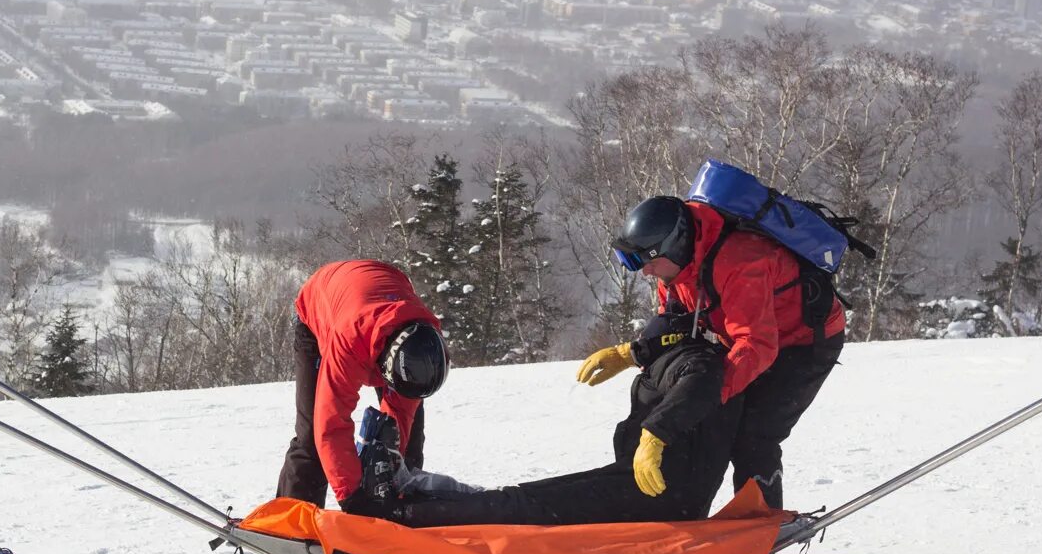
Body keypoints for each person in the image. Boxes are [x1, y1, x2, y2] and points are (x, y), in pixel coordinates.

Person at [346, 306, 743, 527]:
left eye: (645, 347)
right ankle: (416, 491)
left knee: (526, 506)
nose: (637, 353)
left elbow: (698, 387)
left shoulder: (695, 363)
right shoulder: (677, 361)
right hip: (646, 487)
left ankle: (406, 513)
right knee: (522, 498)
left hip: (659, 497)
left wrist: (656, 435)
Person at [583, 194, 844, 510]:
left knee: (754, 437)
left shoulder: (741, 263)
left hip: (803, 342)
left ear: (674, 246)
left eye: (648, 262)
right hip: (744, 337)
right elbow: (674, 321)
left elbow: (755, 346)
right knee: (708, 420)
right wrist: (632, 354)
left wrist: (700, 397)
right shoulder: (676, 265)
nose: (645, 272)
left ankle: (762, 532)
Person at [275, 260, 449, 510]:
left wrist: (394, 478)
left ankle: (406, 509)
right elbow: (331, 423)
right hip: (319, 310)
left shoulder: (423, 347)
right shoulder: (349, 342)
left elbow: (400, 416)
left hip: (376, 295)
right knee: (312, 437)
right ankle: (292, 522)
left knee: (409, 439)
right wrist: (352, 497)